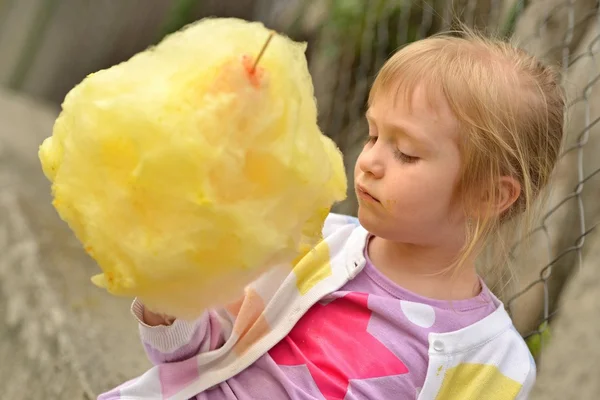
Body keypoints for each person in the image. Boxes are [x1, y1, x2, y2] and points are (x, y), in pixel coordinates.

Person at [99, 30, 564, 400]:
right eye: (372, 135)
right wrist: (169, 300)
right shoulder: (307, 243)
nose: (369, 162)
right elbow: (188, 358)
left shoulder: (494, 364)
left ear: (488, 195)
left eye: (405, 152)